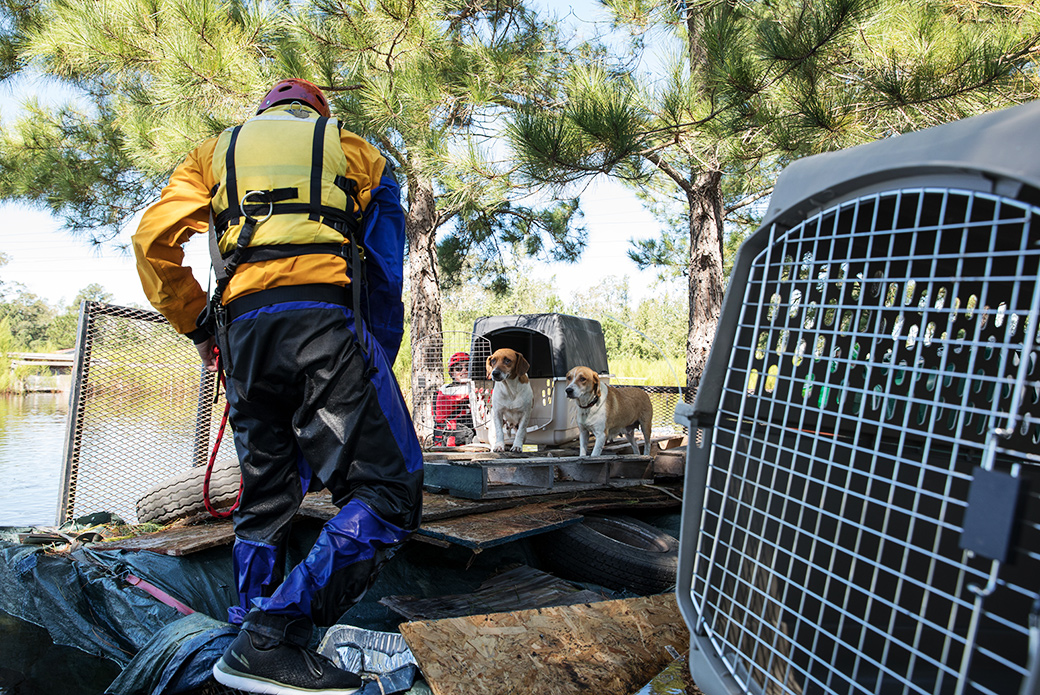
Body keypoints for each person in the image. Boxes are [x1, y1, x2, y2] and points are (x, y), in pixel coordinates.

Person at [132, 78, 423, 695]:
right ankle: (274, 633)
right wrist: (372, 356)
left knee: (265, 496)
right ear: (318, 111)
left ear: (263, 112)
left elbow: (152, 243)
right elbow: (386, 271)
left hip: (244, 340)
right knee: (391, 492)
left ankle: (244, 637)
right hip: (325, 327)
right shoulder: (356, 150)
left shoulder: (214, 153)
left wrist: (199, 324)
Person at [432, 351, 474, 446]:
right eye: (459, 368)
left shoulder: (477, 388)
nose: (464, 371)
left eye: (467, 368)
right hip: (451, 436)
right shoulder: (444, 390)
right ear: (452, 372)